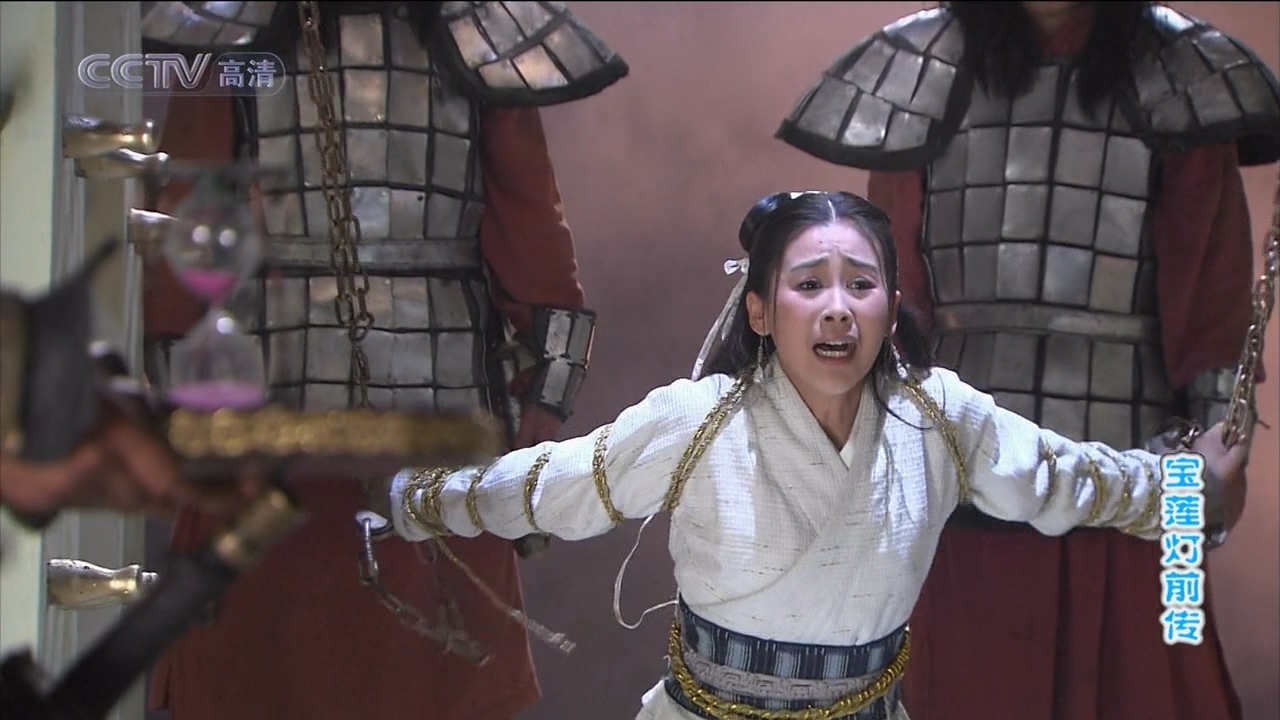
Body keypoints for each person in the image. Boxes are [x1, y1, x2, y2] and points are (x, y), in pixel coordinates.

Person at [369, 190, 1250, 720]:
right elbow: (556, 485)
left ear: (890, 307)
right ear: (760, 310)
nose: (837, 307)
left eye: (861, 285)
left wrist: (1189, 487)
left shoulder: (940, 419)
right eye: (809, 284)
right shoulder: (697, 421)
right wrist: (424, 498)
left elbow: (1063, 480)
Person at [774, 3, 1280, 719]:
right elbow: (895, 309)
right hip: (955, 488)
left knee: (1158, 678)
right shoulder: (923, 70)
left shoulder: (1182, 74)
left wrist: (1206, 478)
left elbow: (1212, 309)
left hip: (1141, 480)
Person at [136, 2, 627, 719]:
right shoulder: (237, 29)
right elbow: (189, 225)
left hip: (414, 430)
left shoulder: (473, 29)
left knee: (409, 672)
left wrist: (540, 403)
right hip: (283, 424)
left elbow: (532, 236)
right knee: (274, 667)